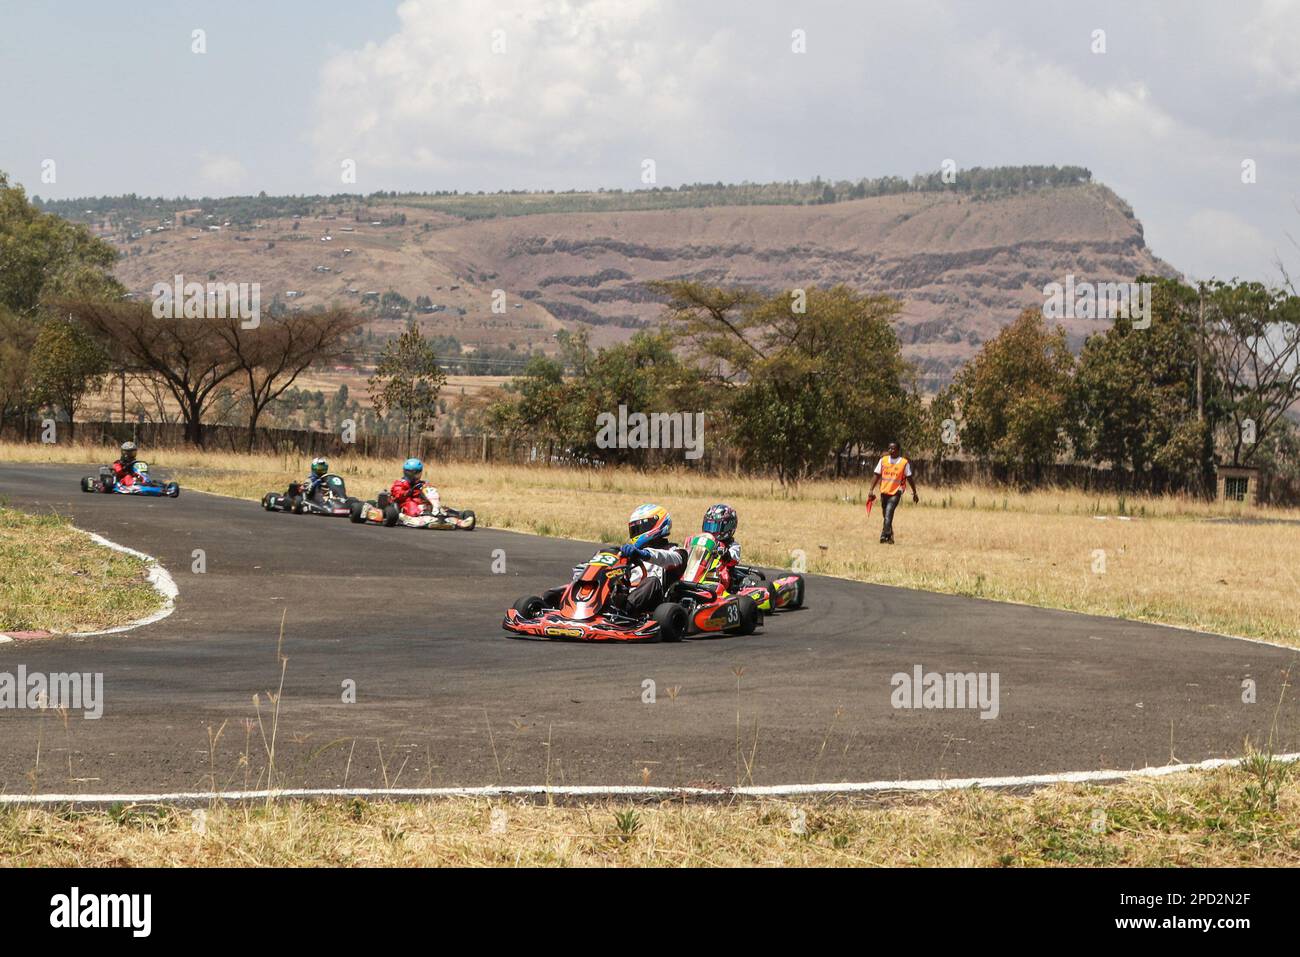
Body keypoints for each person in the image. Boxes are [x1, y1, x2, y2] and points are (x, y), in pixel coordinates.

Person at [546, 504, 685, 614]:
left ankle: (621, 612)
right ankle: (563, 605)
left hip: (649, 602)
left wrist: (644, 554)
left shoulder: (674, 551)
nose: (637, 532)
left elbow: (671, 559)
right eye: (634, 529)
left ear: (658, 524)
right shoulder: (627, 551)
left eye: (641, 527)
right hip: (622, 594)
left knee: (652, 582)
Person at [866, 441, 919, 544]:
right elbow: (876, 475)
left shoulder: (904, 462)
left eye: (893, 449)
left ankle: (884, 535)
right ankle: (890, 536)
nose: (891, 450)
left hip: (896, 492)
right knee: (885, 514)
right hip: (884, 491)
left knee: (889, 513)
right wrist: (871, 490)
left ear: (898, 450)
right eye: (889, 448)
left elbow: (909, 478)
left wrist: (915, 492)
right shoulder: (883, 460)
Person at [701, 503, 743, 593]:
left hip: (721, 578)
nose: (711, 531)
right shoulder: (703, 542)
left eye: (714, 527)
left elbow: (733, 559)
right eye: (708, 526)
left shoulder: (733, 546)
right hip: (700, 571)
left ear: (728, 527)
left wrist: (724, 553)